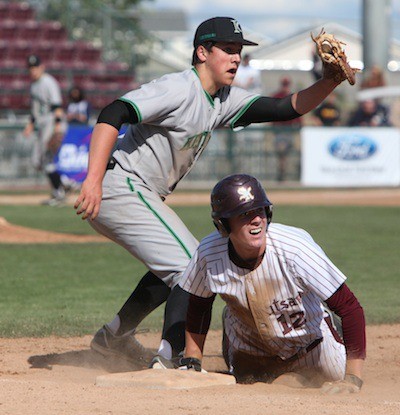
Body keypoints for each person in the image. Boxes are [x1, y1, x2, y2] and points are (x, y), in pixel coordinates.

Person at [74, 16, 352, 369]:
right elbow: (114, 111)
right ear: (202, 52)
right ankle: (171, 357)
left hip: (137, 192)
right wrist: (93, 179)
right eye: (228, 50)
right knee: (192, 265)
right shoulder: (178, 88)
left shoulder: (221, 99)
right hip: (121, 186)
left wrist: (328, 82)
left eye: (239, 51)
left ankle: (112, 338)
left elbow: (283, 108)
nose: (236, 58)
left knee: (174, 263)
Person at [179, 173, 366, 393]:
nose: (256, 219)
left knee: (320, 377)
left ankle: (328, 327)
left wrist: (353, 377)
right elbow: (199, 304)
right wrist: (193, 359)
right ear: (223, 225)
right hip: (250, 353)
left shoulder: (294, 248)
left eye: (259, 210)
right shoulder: (209, 252)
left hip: (311, 351)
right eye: (244, 214)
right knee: (245, 378)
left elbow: (349, 307)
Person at [23, 55, 67, 206]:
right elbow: (35, 110)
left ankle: (60, 191)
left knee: (44, 159)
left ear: (41, 67)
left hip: (51, 122)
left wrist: (57, 127)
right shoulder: (33, 85)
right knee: (39, 161)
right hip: (42, 124)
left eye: (35, 67)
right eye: (30, 68)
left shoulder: (49, 82)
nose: (33, 70)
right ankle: (63, 185)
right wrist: (30, 125)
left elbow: (57, 106)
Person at [271, 77, 302, 181]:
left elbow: (298, 113)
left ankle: (297, 174)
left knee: (296, 153)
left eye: (287, 84)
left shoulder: (292, 97)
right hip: (280, 131)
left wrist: (299, 125)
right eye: (284, 84)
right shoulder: (277, 96)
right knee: (282, 154)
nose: (285, 87)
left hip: (291, 130)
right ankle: (282, 175)